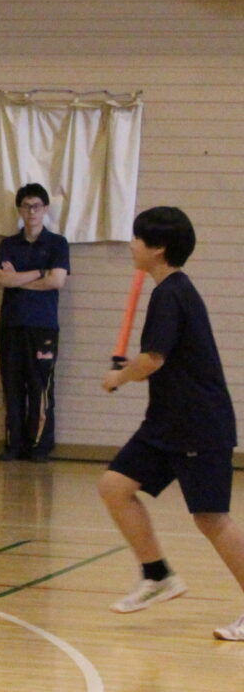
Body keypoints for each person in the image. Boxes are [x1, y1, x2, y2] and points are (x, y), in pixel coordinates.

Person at [98, 206, 244, 639]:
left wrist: (119, 376)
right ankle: (157, 574)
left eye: (138, 238)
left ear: (157, 249)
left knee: (211, 518)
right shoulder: (168, 290)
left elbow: (152, 360)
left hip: (199, 424)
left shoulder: (172, 294)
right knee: (114, 486)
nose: (131, 245)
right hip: (167, 423)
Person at [0, 183, 71, 461]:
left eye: (37, 206)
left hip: (43, 327)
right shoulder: (8, 244)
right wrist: (40, 272)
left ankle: (39, 447)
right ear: (20, 210)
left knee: (40, 387)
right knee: (12, 386)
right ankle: (14, 446)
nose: (32, 211)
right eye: (26, 206)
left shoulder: (57, 244)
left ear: (45, 209)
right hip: (11, 326)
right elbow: (3, 279)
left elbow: (57, 281)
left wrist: (20, 279)